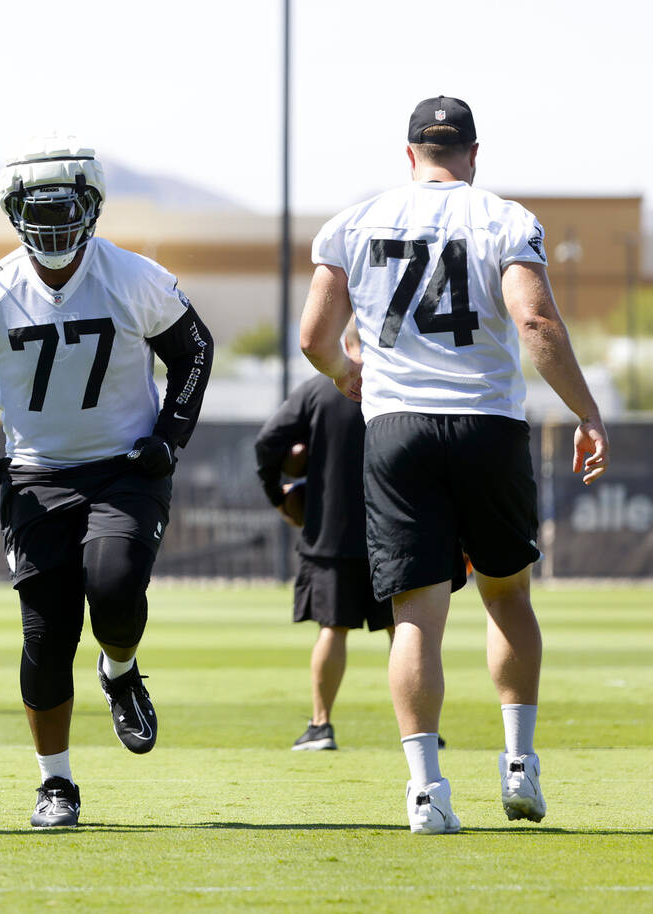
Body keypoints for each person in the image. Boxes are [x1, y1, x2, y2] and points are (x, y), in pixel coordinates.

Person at [299, 96, 609, 834]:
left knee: (416, 618)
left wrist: (348, 374)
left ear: (409, 156)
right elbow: (533, 321)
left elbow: (315, 335)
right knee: (507, 596)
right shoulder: (503, 217)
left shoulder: (353, 223)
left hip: (398, 428)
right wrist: (586, 411)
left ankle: (426, 793)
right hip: (487, 425)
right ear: (473, 154)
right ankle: (518, 765)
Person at [0, 135, 213, 829]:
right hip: (37, 477)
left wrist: (169, 439)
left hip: (123, 469)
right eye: (37, 211)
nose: (52, 226)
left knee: (113, 591)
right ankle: (56, 784)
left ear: (93, 207)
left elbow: (193, 351)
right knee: (46, 637)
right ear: (12, 213)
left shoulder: (134, 276)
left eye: (65, 209)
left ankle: (120, 669)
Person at [255, 326, 395, 751]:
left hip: (331, 533)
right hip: (395, 531)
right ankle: (422, 730)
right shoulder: (399, 387)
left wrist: (276, 495)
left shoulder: (318, 389)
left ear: (343, 344)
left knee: (332, 630)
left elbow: (268, 443)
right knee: (405, 631)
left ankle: (321, 726)